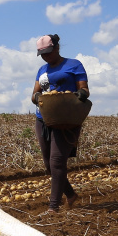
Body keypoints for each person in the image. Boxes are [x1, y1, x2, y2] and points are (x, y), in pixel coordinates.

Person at [29, 34, 90, 213]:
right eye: (42, 54)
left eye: (48, 52)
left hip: (66, 120)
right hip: (43, 119)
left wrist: (82, 94)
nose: (46, 57)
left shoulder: (74, 65)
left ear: (57, 48)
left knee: (57, 162)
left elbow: (84, 88)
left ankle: (53, 207)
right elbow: (34, 95)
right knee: (49, 165)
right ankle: (71, 195)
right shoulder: (42, 70)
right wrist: (38, 96)